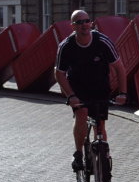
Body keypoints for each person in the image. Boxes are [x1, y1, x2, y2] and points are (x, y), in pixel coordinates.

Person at [54, 9, 127, 172]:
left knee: (100, 124)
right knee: (82, 114)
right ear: (72, 26)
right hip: (78, 87)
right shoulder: (66, 46)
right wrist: (70, 95)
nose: (84, 25)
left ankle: (103, 157)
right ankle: (79, 153)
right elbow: (59, 73)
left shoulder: (103, 41)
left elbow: (119, 68)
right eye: (79, 22)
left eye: (87, 21)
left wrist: (122, 93)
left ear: (91, 23)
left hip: (99, 86)